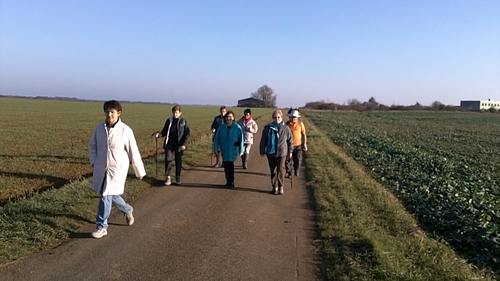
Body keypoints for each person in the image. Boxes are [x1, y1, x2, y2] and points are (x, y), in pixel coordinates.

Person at [89, 100, 146, 239]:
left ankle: (102, 226)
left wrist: (139, 171)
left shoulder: (125, 130)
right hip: (102, 168)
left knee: (105, 196)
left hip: (117, 170)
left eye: (112, 112)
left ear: (119, 113)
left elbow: (134, 151)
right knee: (111, 194)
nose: (109, 115)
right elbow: (92, 146)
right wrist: (94, 161)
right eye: (107, 111)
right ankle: (127, 209)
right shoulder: (99, 128)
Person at [259, 110, 293, 195]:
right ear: (272, 118)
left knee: (281, 169)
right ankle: (275, 187)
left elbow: (290, 140)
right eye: (275, 117)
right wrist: (262, 149)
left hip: (282, 152)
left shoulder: (285, 128)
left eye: (278, 117)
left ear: (281, 118)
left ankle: (281, 186)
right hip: (271, 152)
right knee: (273, 170)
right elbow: (263, 140)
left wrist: (290, 151)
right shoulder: (267, 128)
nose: (277, 119)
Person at [155, 104, 190, 186]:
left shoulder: (183, 122)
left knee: (178, 161)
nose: (175, 114)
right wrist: (159, 135)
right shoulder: (169, 121)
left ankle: (178, 177)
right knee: (168, 160)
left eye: (177, 113)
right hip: (169, 144)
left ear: (180, 113)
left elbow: (187, 134)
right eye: (174, 112)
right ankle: (168, 178)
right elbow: (164, 131)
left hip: (179, 145)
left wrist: (184, 144)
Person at [213, 111, 244, 188]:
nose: (229, 118)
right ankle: (228, 180)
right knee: (226, 165)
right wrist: (216, 149)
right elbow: (216, 139)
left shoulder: (237, 127)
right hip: (224, 149)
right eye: (227, 117)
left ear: (233, 118)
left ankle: (231, 181)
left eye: (230, 117)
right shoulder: (221, 128)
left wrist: (241, 150)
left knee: (231, 165)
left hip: (233, 149)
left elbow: (241, 139)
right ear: (225, 118)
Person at [285, 109, 307, 177]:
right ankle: (289, 172)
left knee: (297, 160)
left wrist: (304, 144)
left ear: (297, 117)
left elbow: (304, 134)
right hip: (288, 145)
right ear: (290, 117)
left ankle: (296, 170)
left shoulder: (300, 124)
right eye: (292, 117)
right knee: (287, 161)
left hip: (298, 145)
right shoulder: (287, 124)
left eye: (295, 117)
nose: (293, 118)